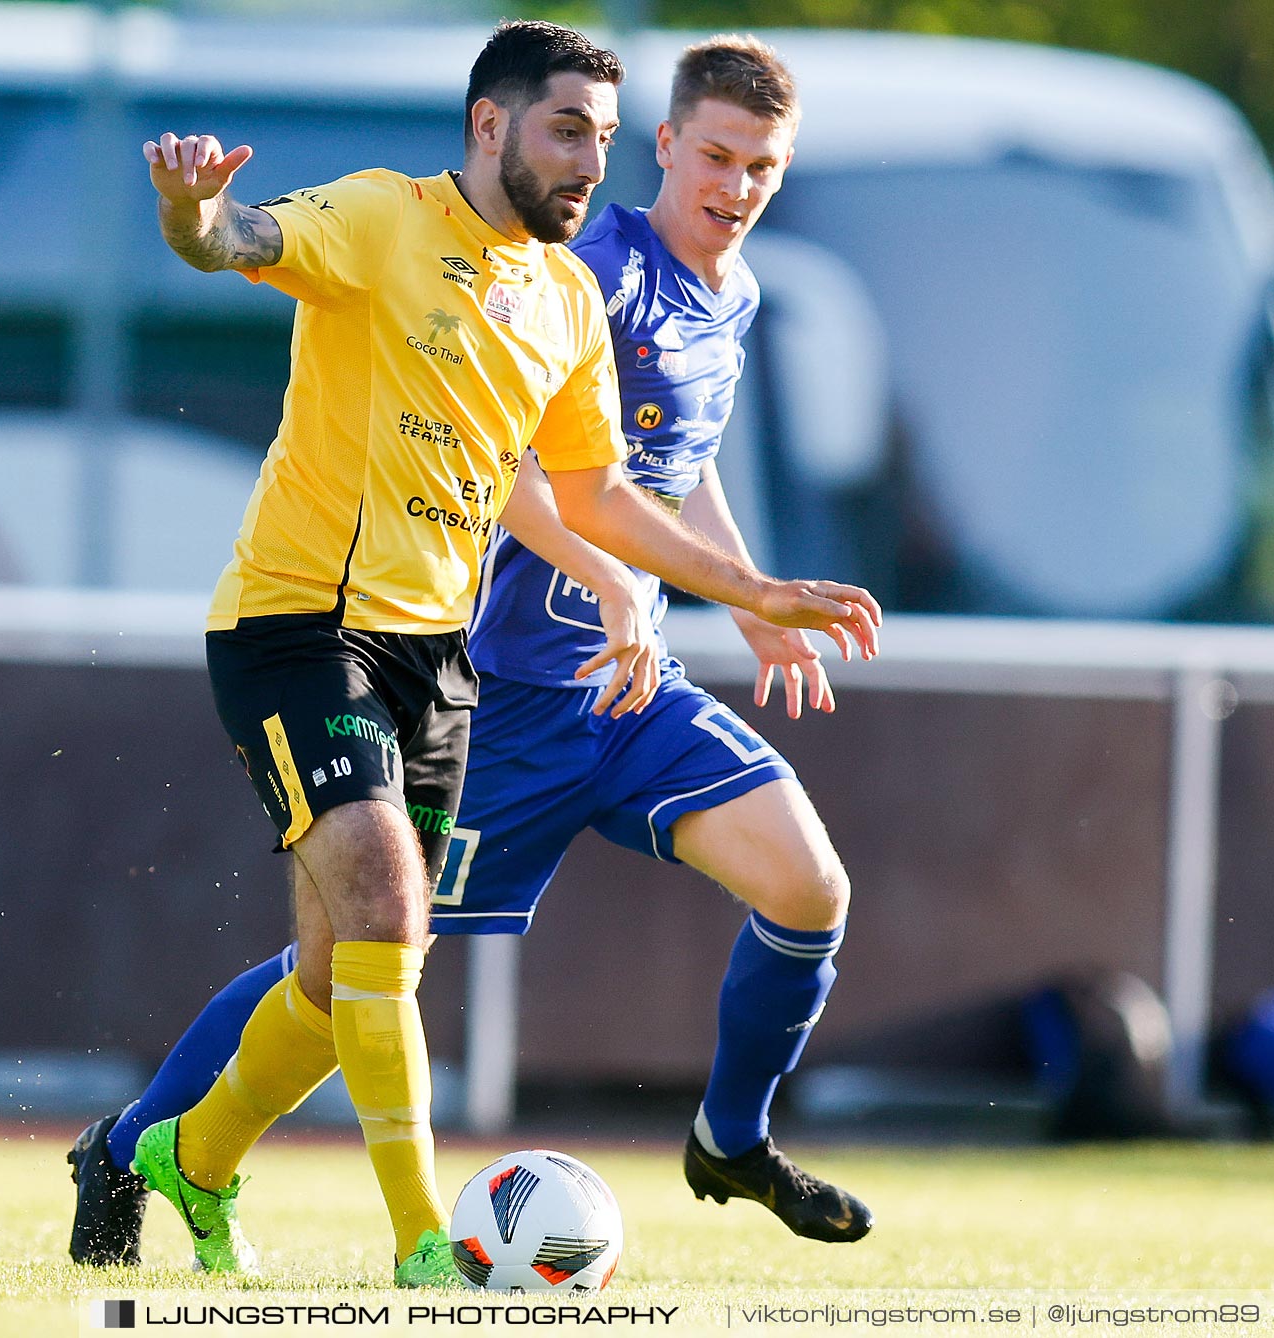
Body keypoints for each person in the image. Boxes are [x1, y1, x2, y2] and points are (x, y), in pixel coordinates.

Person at [104, 21, 881, 1288]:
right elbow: (245, 251)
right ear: (498, 127)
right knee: (370, 929)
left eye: (764, 170)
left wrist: (742, 593)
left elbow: (636, 479)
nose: (731, 189)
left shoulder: (631, 291)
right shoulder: (467, 236)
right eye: (576, 132)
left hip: (516, 672)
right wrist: (196, 214)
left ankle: (724, 1137)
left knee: (361, 970)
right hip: (388, 646)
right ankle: (337, 1210)